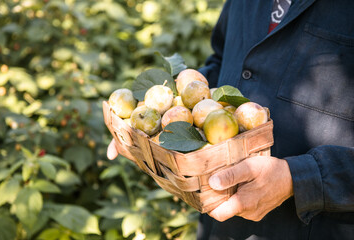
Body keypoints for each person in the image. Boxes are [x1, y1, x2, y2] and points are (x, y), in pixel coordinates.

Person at [107, 0, 354, 239]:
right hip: (218, 223)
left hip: (309, 227)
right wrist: (166, 108)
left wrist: (298, 178)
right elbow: (223, 60)